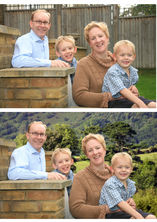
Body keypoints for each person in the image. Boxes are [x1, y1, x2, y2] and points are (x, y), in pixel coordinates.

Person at [72, 21, 139, 107]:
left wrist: (133, 89)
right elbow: (79, 96)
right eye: (93, 38)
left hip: (128, 103)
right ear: (89, 43)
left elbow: (127, 84)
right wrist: (111, 96)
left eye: (100, 36)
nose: (98, 40)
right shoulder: (84, 64)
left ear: (107, 38)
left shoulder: (118, 61)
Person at [69, 133, 136, 218]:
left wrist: (130, 203)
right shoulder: (80, 177)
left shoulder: (115, 173)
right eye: (90, 150)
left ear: (104, 149)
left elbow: (122, 200)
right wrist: (107, 209)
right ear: (87, 155)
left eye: (98, 148)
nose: (95, 152)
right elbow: (75, 209)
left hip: (123, 215)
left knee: (150, 218)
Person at [99, 152, 156, 219]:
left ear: (131, 169)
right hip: (111, 214)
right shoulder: (110, 184)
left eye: (127, 167)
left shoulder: (131, 184)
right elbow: (120, 203)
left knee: (151, 218)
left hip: (126, 211)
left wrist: (131, 202)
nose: (123, 170)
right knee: (135, 218)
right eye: (119, 167)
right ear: (113, 169)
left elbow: (128, 202)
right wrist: (139, 216)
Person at [102, 40, 156, 108]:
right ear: (115, 57)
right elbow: (122, 91)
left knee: (153, 105)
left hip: (129, 99)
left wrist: (134, 88)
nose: (126, 58)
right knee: (138, 107)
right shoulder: (112, 72)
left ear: (134, 57)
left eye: (129, 55)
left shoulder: (133, 71)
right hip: (114, 102)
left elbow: (131, 88)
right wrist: (140, 103)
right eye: (122, 55)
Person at [55, 35, 78, 107]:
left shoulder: (76, 63)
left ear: (75, 49)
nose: (67, 51)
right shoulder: (57, 64)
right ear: (58, 53)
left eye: (70, 48)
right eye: (64, 50)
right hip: (64, 95)